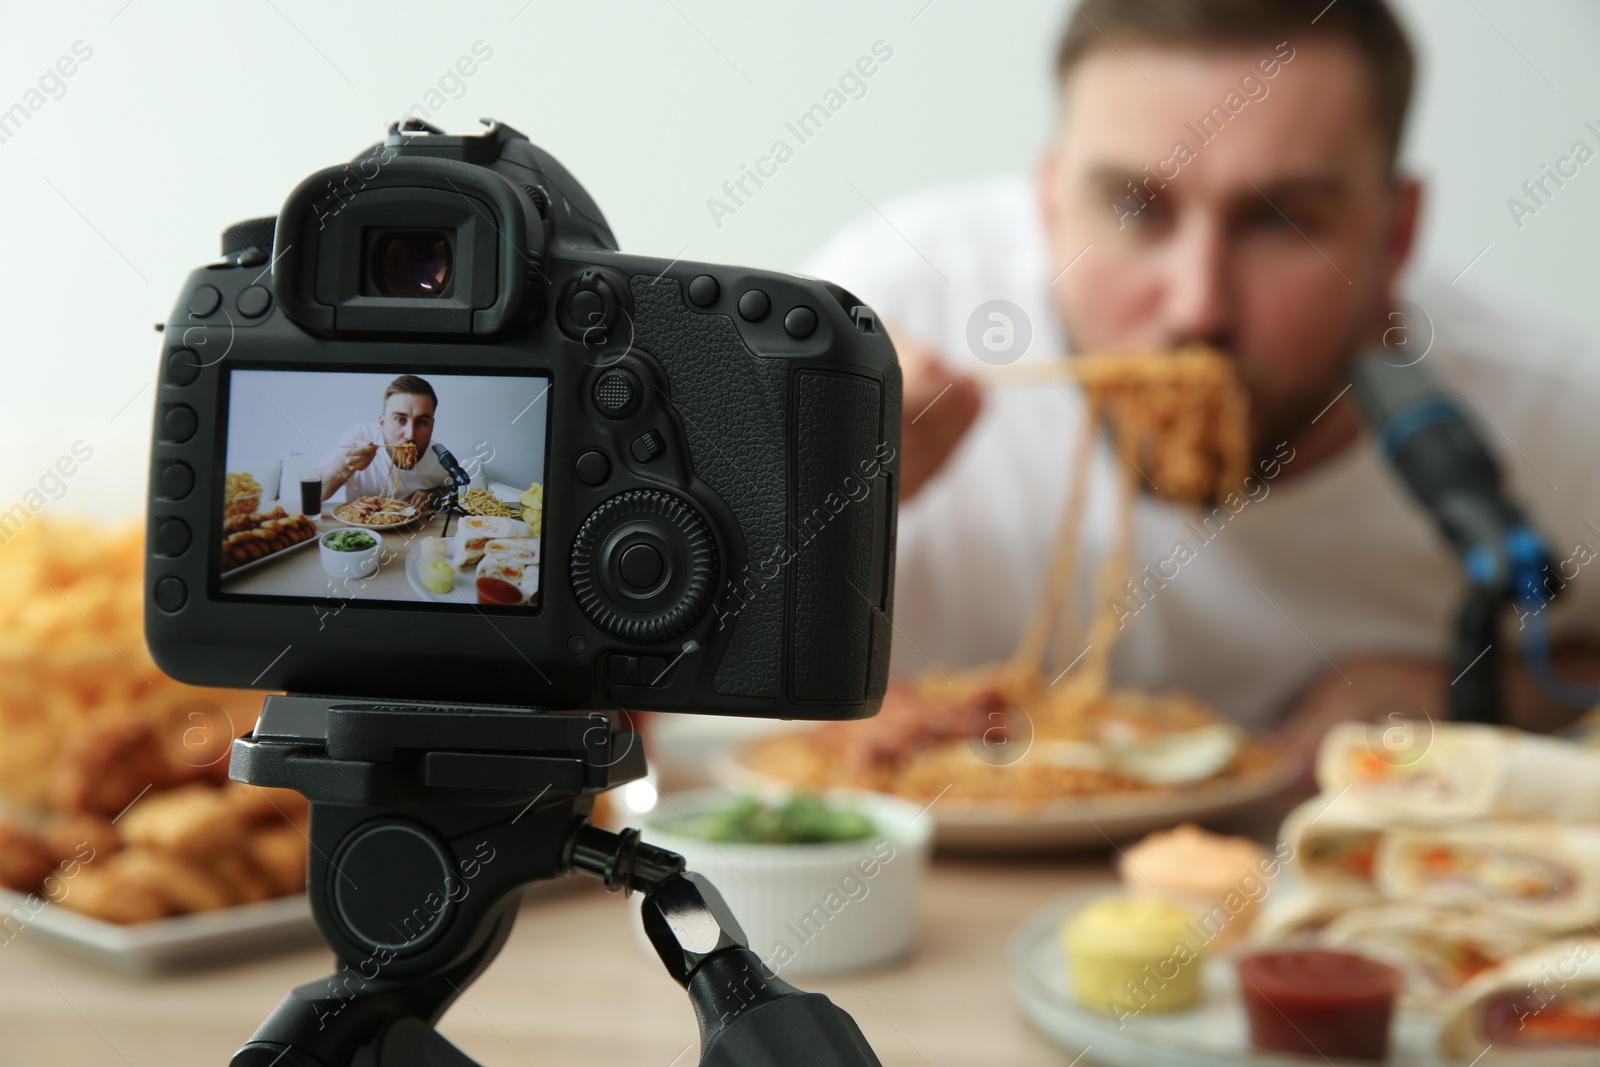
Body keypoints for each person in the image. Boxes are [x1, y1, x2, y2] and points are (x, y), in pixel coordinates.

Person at [805, 0, 1600, 768]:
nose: (1198, 306)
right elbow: (680, 677)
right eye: (1134, 207)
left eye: (1280, 221)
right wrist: (790, 511)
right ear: (1048, 204)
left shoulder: (1549, 413)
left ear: (1394, 235)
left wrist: (1474, 688)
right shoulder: (883, 317)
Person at [323, 374, 452, 511]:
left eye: (421, 422)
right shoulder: (359, 437)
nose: (410, 435)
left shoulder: (438, 456)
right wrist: (345, 464)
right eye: (400, 419)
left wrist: (434, 494)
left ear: (432, 426)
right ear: (382, 422)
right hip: (361, 528)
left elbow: (453, 488)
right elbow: (316, 495)